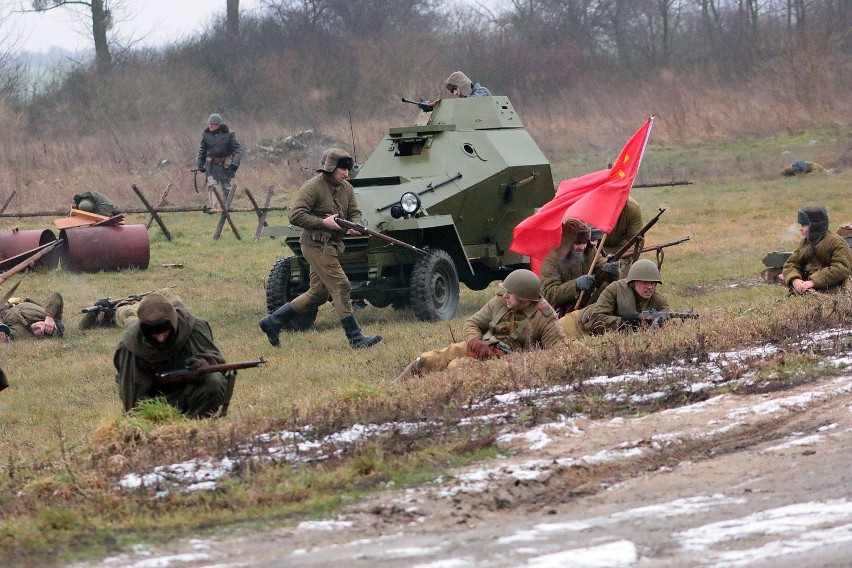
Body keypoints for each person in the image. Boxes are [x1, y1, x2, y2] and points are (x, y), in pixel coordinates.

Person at [259, 148, 382, 349]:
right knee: (342, 285)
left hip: (331, 245)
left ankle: (272, 322)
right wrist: (323, 222)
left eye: (348, 169)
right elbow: (295, 215)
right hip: (315, 245)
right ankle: (356, 338)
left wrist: (354, 225)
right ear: (330, 168)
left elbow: (355, 211)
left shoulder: (347, 188)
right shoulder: (313, 187)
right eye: (342, 168)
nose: (346, 173)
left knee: (318, 294)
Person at [397, 269, 567, 380]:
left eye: (511, 293)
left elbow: (560, 353)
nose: (506, 296)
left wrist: (521, 359)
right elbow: (473, 323)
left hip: (506, 363)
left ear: (524, 298)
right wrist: (474, 342)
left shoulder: (545, 317)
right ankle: (396, 387)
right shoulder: (500, 301)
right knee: (427, 359)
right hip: (481, 347)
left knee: (457, 367)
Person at [113, 292, 231, 418]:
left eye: (164, 332)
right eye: (154, 335)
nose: (160, 339)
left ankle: (196, 426)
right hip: (153, 403)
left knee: (214, 381)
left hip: (190, 392)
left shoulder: (195, 328)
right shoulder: (131, 345)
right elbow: (131, 394)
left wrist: (203, 363)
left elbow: (216, 359)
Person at [560, 259, 670, 339]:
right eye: (644, 282)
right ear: (633, 282)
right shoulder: (616, 289)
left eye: (653, 283)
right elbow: (597, 318)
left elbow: (671, 318)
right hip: (575, 326)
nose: (650, 287)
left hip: (600, 338)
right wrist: (624, 322)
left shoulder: (657, 299)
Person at [540, 218, 620, 315]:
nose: (582, 247)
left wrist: (612, 268)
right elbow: (549, 293)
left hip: (589, 301)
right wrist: (576, 285)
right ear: (567, 243)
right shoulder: (551, 261)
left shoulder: (590, 251)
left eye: (585, 242)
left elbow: (602, 265)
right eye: (577, 243)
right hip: (564, 310)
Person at [783, 206, 852, 295]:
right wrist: (795, 280)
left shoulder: (837, 243)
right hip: (809, 286)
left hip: (834, 288)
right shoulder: (805, 243)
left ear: (815, 226)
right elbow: (791, 264)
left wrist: (813, 282)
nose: (800, 228)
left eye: (804, 225)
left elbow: (841, 268)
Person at [196, 113, 242, 210]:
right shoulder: (206, 134)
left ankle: (227, 207)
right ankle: (213, 208)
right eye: (209, 124)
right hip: (211, 165)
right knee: (212, 186)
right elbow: (202, 151)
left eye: (213, 124)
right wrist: (200, 164)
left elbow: (237, 150)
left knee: (226, 187)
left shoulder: (229, 134)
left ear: (218, 125)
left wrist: (235, 163)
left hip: (225, 164)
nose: (210, 126)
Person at [80, 288, 183, 330]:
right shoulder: (102, 314)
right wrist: (94, 311)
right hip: (122, 311)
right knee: (129, 313)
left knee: (167, 291)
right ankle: (143, 330)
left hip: (142, 303)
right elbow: (83, 326)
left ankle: (181, 313)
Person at [602, 195, 644, 277]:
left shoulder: (633, 208)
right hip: (597, 248)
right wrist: (601, 258)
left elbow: (634, 240)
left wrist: (620, 259)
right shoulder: (595, 205)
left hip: (621, 248)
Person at [0, 292, 65, 341]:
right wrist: (49, 317)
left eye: (42, 332)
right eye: (44, 325)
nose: (39, 327)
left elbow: (7, 335)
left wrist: (4, 339)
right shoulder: (45, 315)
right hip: (9, 303)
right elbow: (56, 296)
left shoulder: (22, 335)